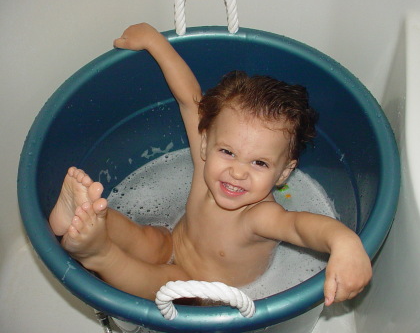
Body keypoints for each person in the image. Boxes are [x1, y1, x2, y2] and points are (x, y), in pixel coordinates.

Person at [49, 23, 372, 306]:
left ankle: (98, 254)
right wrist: (155, 43)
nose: (237, 171)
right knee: (144, 239)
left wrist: (344, 241)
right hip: (175, 241)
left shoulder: (259, 216)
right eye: (228, 152)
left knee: (156, 283)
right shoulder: (206, 160)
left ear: (284, 172)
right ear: (206, 143)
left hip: (202, 288)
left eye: (259, 162)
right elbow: (190, 100)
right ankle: (85, 212)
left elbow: (302, 227)